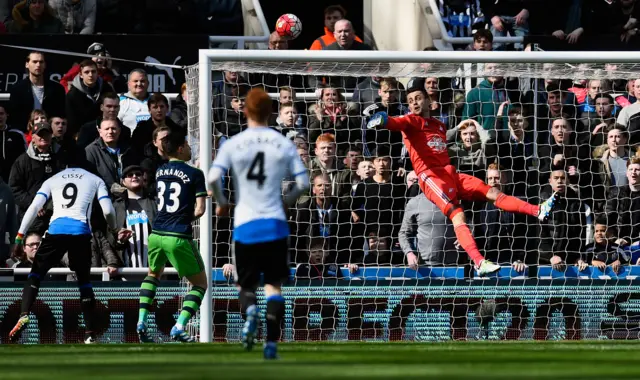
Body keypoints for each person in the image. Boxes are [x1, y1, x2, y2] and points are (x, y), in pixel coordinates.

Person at [366, 83, 559, 276]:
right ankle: (479, 261)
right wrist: (381, 119)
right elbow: (393, 122)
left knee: (492, 192)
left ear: (427, 100)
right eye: (409, 101)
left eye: (417, 98)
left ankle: (538, 210)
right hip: (430, 177)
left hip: (450, 174)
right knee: (458, 215)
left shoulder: (439, 125)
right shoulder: (410, 121)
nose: (414, 103)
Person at [208, 88, 309, 360]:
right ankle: (271, 346)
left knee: (245, 285)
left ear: (245, 111)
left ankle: (251, 312)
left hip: (245, 223)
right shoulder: (283, 143)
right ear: (271, 112)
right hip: (275, 222)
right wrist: (286, 201)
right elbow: (304, 183)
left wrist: (221, 202)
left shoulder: (233, 143)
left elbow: (212, 178)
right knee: (274, 286)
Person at [8, 161, 129, 344]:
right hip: (80, 232)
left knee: (35, 275)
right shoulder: (95, 179)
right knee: (84, 281)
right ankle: (89, 334)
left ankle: (24, 314)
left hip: (56, 230)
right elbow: (108, 210)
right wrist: (113, 229)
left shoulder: (53, 179)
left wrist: (19, 237)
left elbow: (34, 207)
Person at [136, 130, 208, 343]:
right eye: (187, 145)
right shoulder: (195, 173)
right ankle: (179, 326)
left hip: (156, 233)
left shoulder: (160, 170)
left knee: (152, 275)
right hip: (177, 235)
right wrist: (185, 218)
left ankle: (141, 321)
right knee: (200, 284)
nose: (190, 148)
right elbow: (200, 209)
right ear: (179, 148)